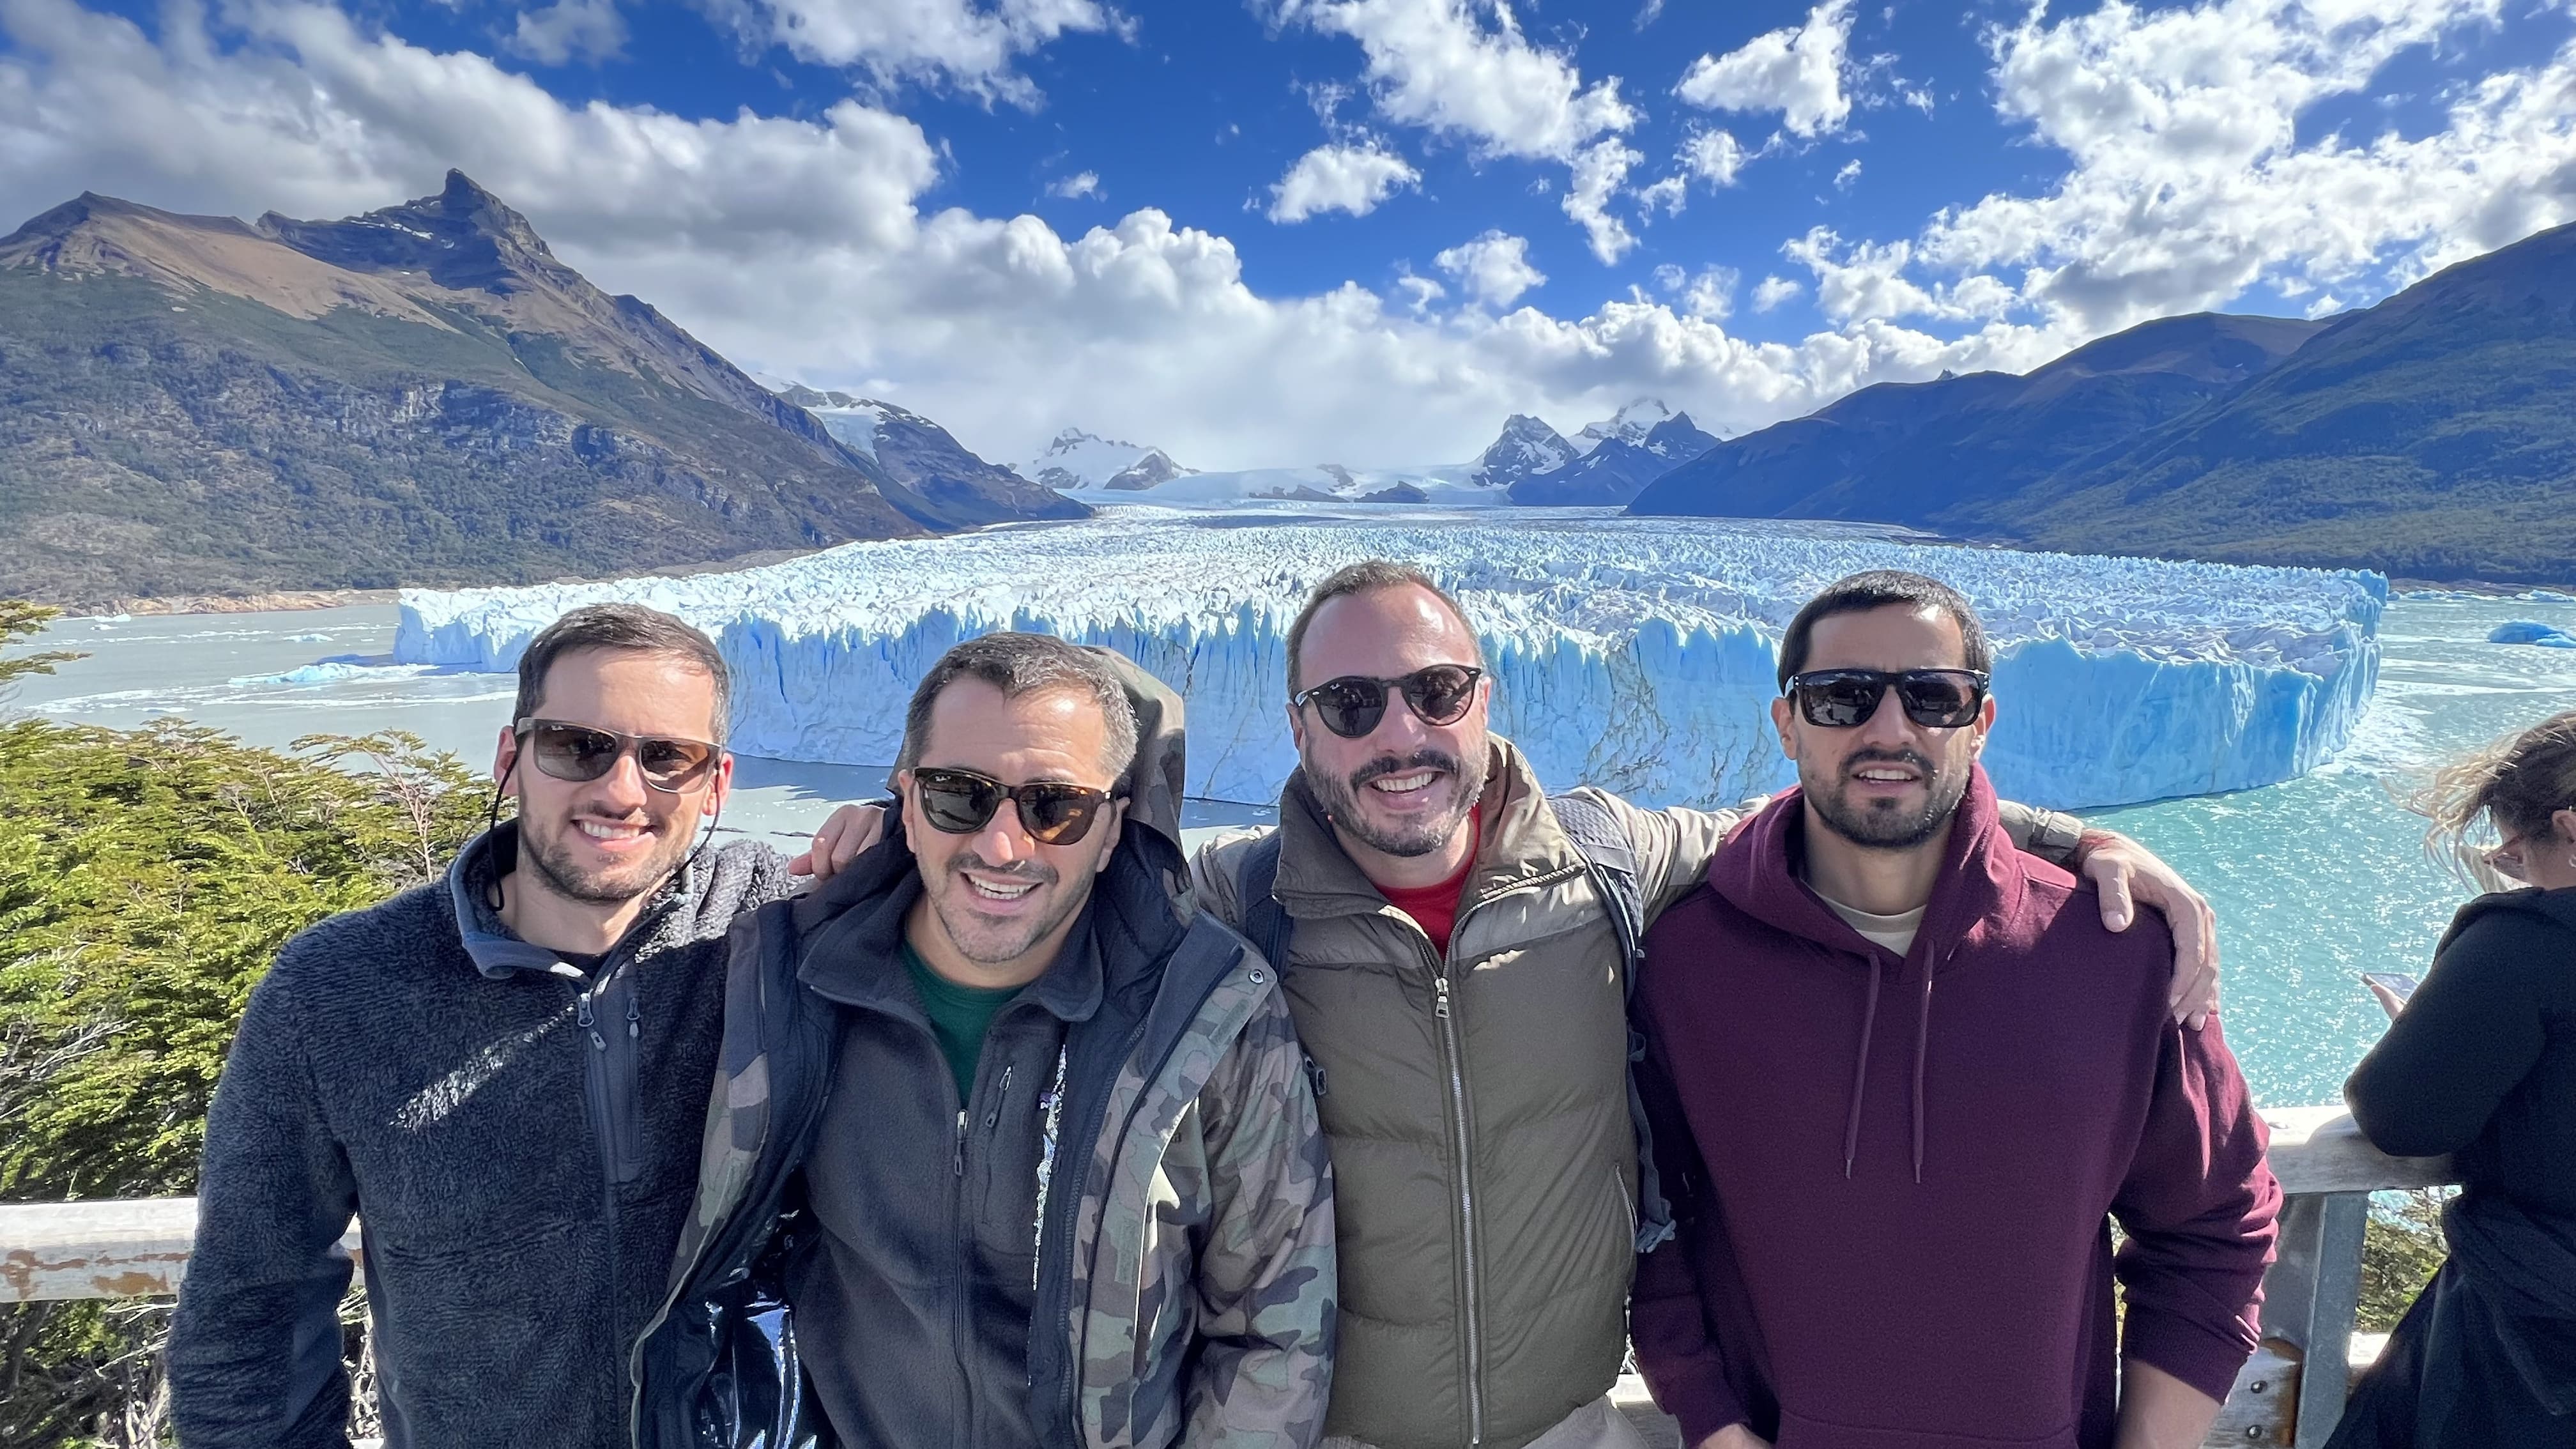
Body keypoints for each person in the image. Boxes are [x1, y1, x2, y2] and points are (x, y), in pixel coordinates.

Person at [1181, 561, 2226, 1449]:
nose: (1401, 734)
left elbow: (1845, 806)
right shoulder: (1232, 904)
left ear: (1484, 698)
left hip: (1567, 1427)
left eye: (1438, 690)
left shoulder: (1601, 863)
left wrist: (2075, 841)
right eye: (1353, 704)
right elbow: (1060, 879)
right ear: (1300, 727)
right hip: (1325, 1430)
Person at [631, 631, 1335, 1449]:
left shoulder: (1206, 1013)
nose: (1003, 846)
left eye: (1055, 807)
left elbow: (1277, 1328)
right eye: (959, 795)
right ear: (905, 799)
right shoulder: (784, 979)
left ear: (1112, 827)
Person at [1628, 569, 2281, 1449]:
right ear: (1787, 725)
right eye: (1842, 697)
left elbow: (2214, 1225)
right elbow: (1651, 1221)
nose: (1888, 729)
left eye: (1934, 697)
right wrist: (1713, 1424)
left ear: (1980, 724)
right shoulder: (1687, 963)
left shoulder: (2117, 952)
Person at [169, 604, 837, 1448]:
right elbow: (249, 1308)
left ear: (718, 784)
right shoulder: (337, 992)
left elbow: (990, 896)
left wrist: (895, 837)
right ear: (511, 757)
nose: (622, 791)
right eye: (576, 745)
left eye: (667, 757)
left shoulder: (780, 929)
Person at [2330, 709, 2576, 1448]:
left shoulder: (2529, 942)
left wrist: (2428, 1029)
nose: (2519, 874)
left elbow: (2405, 1119)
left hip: (2537, 1353)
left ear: (2569, 828)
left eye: (2514, 852)